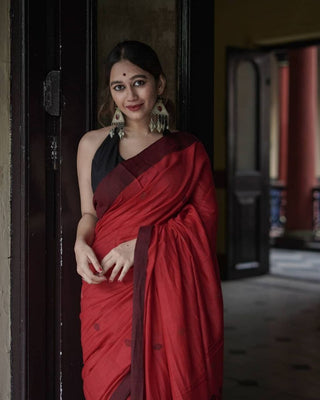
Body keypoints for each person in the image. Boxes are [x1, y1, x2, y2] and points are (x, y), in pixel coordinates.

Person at [74, 40, 223, 400]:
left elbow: (202, 223)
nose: (130, 95)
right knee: (105, 384)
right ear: (111, 93)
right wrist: (79, 243)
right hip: (107, 283)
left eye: (139, 82)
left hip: (165, 285)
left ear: (160, 83)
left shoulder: (187, 152)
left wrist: (143, 246)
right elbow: (89, 213)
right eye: (119, 87)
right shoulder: (92, 144)